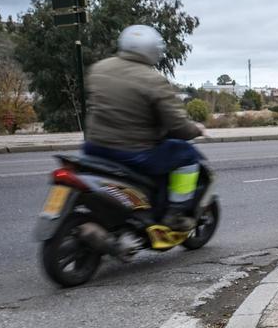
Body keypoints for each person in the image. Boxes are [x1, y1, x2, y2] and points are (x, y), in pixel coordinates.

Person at [82, 24, 204, 231]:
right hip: (133, 152)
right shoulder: (153, 79)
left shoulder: (98, 69)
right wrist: (195, 130)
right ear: (153, 51)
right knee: (187, 155)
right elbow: (177, 124)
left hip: (93, 146)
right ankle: (175, 212)